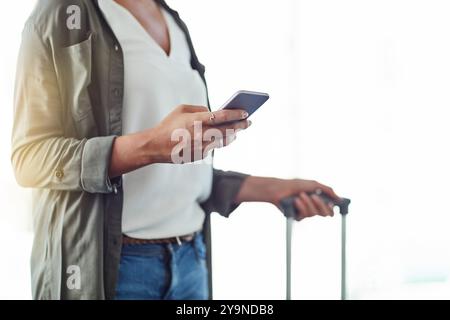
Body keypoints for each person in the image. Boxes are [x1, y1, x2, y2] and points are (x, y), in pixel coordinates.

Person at [12, 0, 340, 300]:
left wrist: (271, 189)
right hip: (115, 273)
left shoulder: (173, 20)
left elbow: (177, 168)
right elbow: (29, 158)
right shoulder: (58, 14)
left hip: (190, 262)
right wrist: (151, 145)